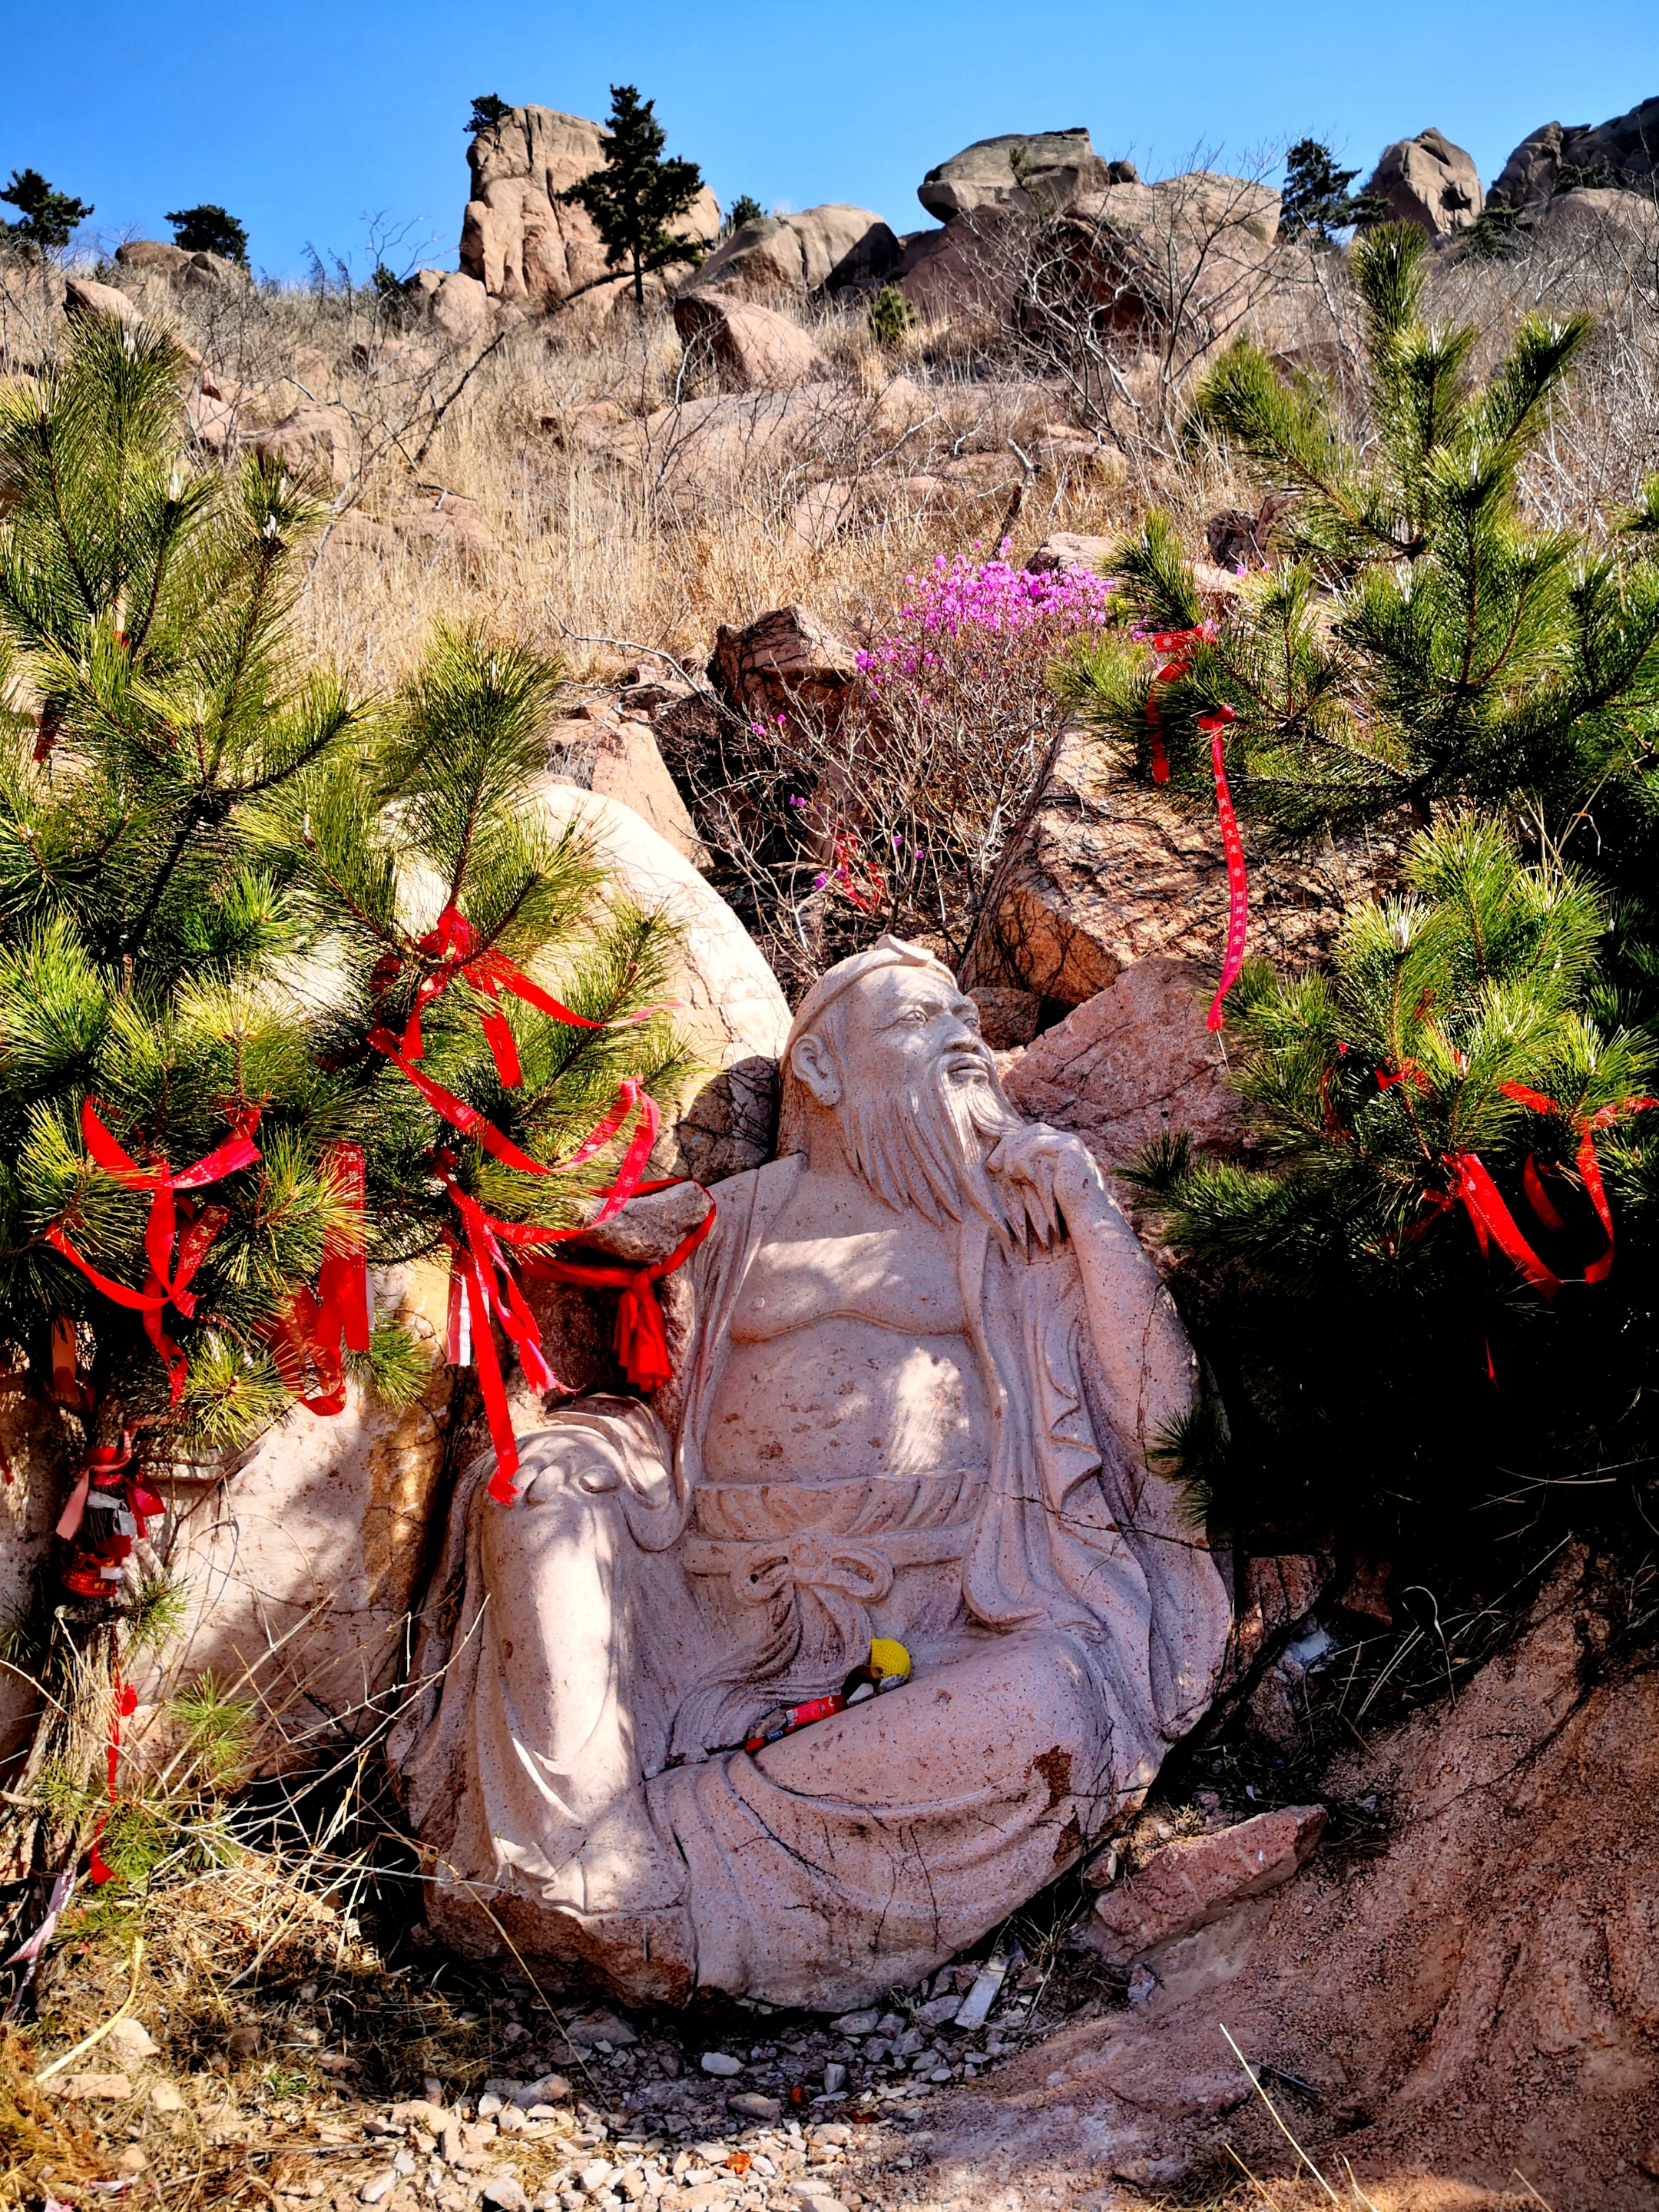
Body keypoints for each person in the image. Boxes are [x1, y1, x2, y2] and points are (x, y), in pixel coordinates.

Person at [393, 939, 1231, 2008]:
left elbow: (1164, 1424)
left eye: (968, 1020)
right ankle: (574, 1850)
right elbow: (606, 1338)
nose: (963, 1041)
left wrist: (1088, 1208)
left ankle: (675, 1846)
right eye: (918, 1022)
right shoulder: (733, 1220)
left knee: (1055, 1705)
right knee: (541, 1488)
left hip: (943, 1611)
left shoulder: (1013, 1214)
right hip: (707, 1602)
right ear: (824, 1072)